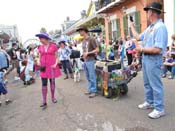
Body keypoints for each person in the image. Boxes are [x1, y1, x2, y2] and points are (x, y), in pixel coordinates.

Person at [130, 2, 168, 119]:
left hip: (153, 59)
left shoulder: (160, 27)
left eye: (147, 11)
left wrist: (141, 49)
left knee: (155, 85)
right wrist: (131, 26)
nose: (146, 13)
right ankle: (150, 101)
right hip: (147, 58)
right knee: (147, 83)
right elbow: (138, 37)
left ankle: (159, 109)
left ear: (151, 12)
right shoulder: (151, 27)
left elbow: (158, 49)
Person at [36, 33, 61, 109]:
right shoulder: (40, 47)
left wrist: (55, 64)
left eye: (41, 38)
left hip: (51, 67)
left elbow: (57, 57)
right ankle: (44, 101)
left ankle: (53, 97)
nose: (40, 40)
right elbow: (39, 57)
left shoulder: (54, 46)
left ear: (45, 38)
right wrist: (38, 61)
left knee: (52, 83)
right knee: (44, 84)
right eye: (39, 39)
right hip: (43, 68)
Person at [77, 27, 99, 98]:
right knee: (88, 76)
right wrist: (83, 56)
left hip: (91, 60)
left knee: (92, 76)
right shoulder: (83, 40)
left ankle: (94, 91)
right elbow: (84, 51)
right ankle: (90, 89)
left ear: (84, 31)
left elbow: (97, 49)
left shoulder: (91, 39)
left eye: (80, 31)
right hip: (85, 61)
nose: (79, 33)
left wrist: (88, 53)